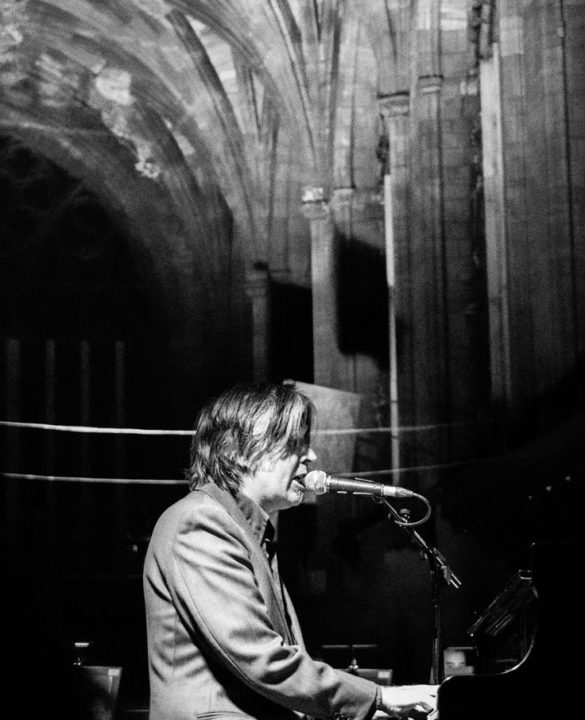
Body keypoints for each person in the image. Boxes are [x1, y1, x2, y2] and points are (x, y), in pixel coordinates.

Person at [143, 382, 437, 720]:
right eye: (295, 444)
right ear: (240, 450)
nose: (311, 456)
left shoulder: (248, 531)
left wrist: (376, 709)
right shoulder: (199, 522)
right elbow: (262, 661)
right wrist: (379, 698)